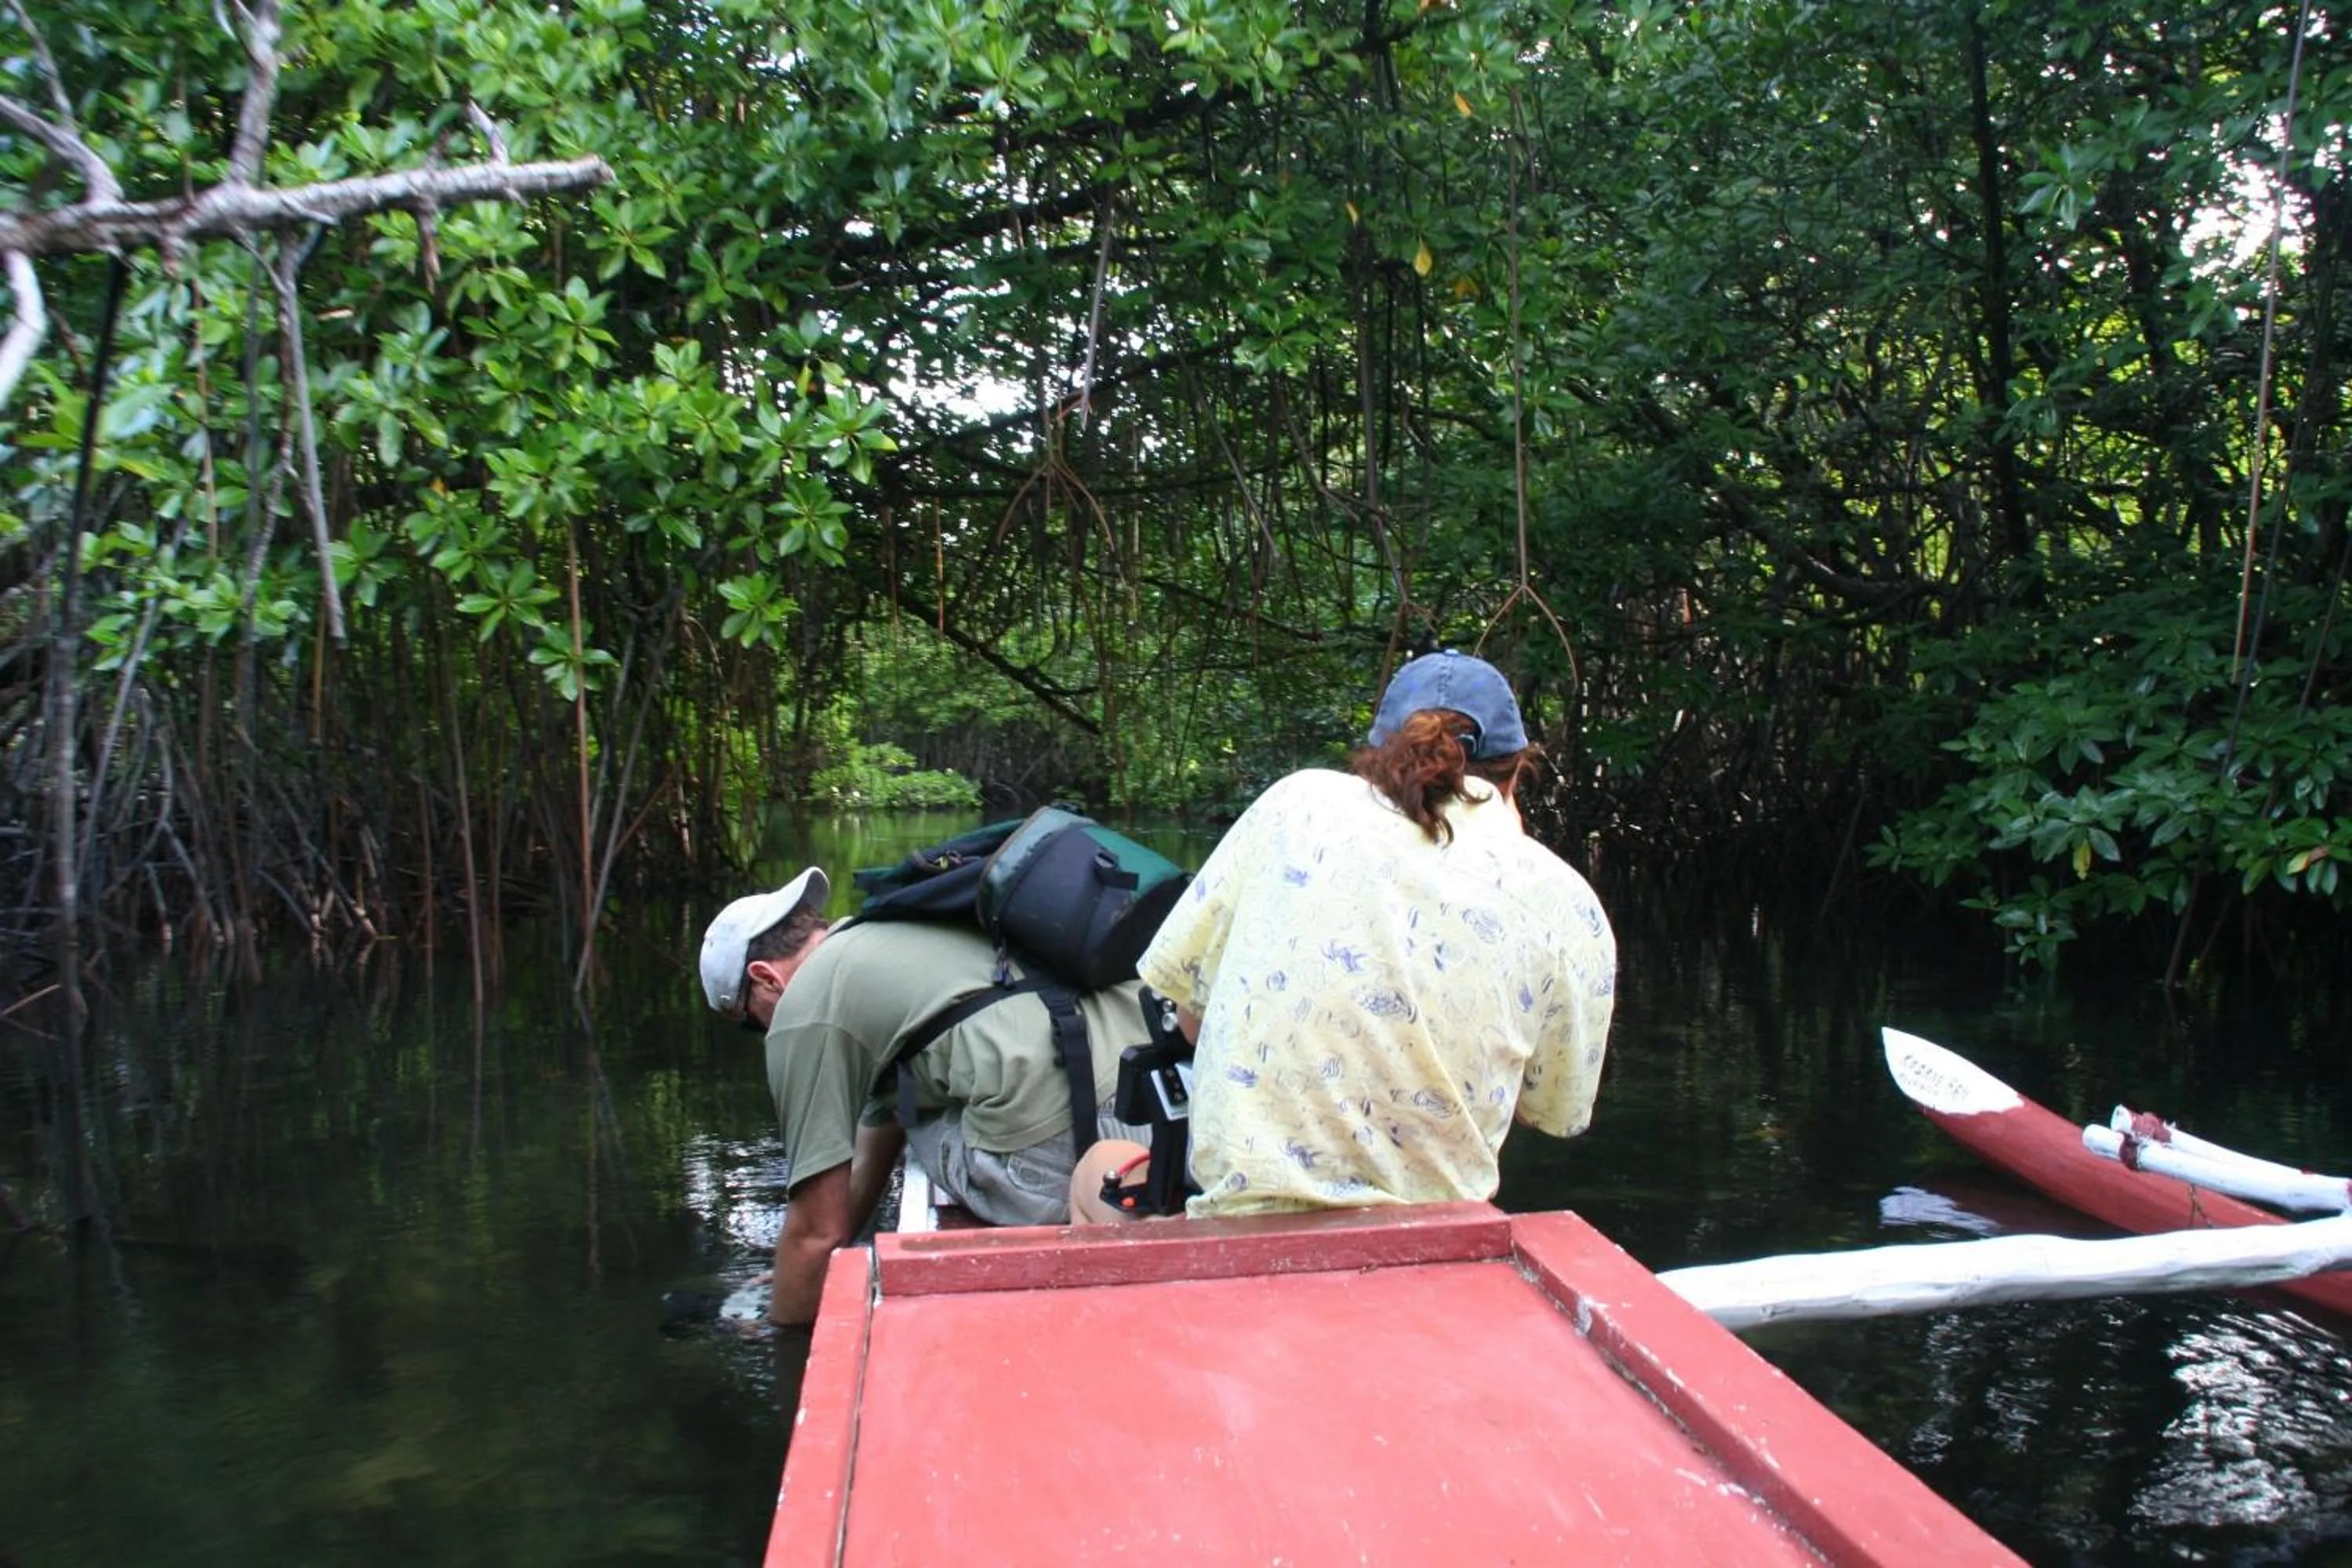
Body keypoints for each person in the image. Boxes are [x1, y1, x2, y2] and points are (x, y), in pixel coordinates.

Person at [1073, 649, 1616, 1221]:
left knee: (1100, 1166)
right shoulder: (1569, 901)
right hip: (1439, 1240)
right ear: (1518, 770)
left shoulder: (1296, 803)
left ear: (1381, 750)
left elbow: (1191, 1020)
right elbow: (1552, 1111)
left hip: (1248, 1225)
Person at [700, 867, 1151, 1324]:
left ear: (765, 979)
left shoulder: (804, 1008)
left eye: (749, 1021)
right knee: (905, 1094)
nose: (764, 1034)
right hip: (1155, 1110)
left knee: (912, 1108)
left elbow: (816, 1230)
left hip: (1052, 1163)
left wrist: (779, 1323)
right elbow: (858, 1173)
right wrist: (808, 1267)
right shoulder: (896, 932)